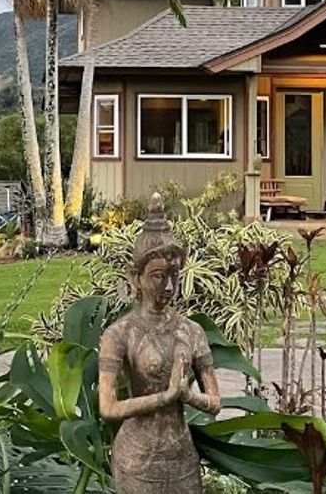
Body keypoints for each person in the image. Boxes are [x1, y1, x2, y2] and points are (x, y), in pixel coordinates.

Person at [96, 194, 222, 493]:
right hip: (137, 459)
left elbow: (215, 403)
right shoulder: (119, 334)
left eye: (174, 275)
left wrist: (187, 396)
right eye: (158, 276)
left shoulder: (191, 331)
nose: (168, 286)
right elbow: (108, 407)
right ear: (135, 278)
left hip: (182, 459)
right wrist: (164, 398)